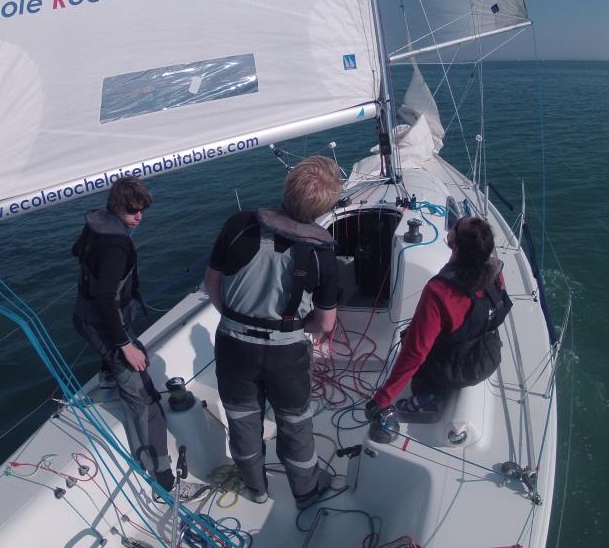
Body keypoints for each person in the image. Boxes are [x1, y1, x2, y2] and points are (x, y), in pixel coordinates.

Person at [204, 156, 341, 509]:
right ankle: (306, 492)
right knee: (295, 422)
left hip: (233, 345)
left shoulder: (238, 224)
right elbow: (325, 324)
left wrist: (233, 319)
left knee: (242, 419)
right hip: (286, 353)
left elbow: (212, 283)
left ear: (287, 187)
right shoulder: (322, 254)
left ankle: (255, 488)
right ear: (325, 206)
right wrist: (297, 330)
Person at [71, 176, 176, 491]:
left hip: (85, 317)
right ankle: (159, 474)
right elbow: (106, 299)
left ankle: (108, 375)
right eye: (132, 210)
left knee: (128, 357)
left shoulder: (96, 226)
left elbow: (78, 251)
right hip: (103, 322)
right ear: (116, 206)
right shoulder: (117, 245)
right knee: (144, 398)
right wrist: (124, 346)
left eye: (142, 210)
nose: (139, 217)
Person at [366, 216, 513, 433]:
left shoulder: (439, 292)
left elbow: (415, 353)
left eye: (456, 225)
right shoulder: (496, 274)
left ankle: (429, 396)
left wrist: (382, 399)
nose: (453, 225)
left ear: (456, 245)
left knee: (408, 338)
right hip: (486, 356)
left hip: (455, 370)